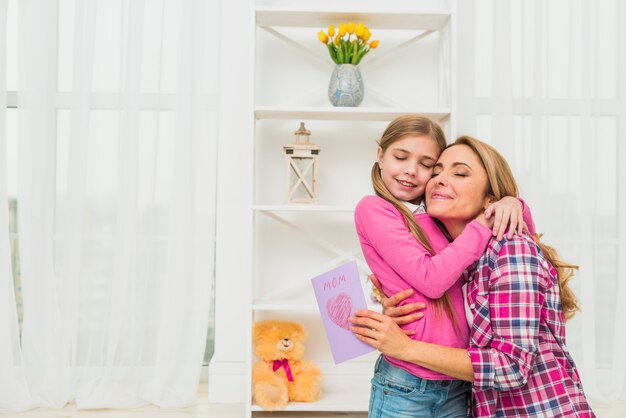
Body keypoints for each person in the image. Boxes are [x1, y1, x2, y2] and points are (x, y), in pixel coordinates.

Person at [350, 136, 595, 417]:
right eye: (438, 170)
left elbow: (512, 366)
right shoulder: (463, 256)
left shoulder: (510, 250)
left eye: (460, 172)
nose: (438, 179)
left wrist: (406, 348)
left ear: (490, 199)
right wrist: (391, 309)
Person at [354, 115, 533, 418]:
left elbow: (521, 237)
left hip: (460, 378)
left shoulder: (437, 215)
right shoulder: (374, 209)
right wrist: (484, 221)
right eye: (401, 156)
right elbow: (431, 279)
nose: (411, 170)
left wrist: (514, 205)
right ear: (380, 156)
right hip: (406, 383)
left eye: (427, 165)